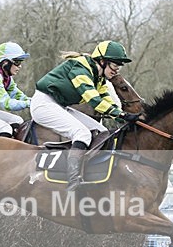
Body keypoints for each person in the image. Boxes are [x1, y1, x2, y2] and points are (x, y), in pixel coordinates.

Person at [31, 40, 133, 190]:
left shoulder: (99, 77)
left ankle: (91, 172)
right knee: (82, 133)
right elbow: (94, 100)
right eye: (115, 64)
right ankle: (73, 180)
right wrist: (121, 115)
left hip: (59, 105)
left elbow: (106, 100)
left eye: (119, 66)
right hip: (43, 105)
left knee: (103, 132)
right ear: (102, 61)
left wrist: (123, 118)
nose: (116, 70)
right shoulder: (80, 67)